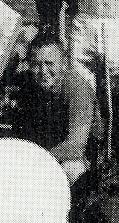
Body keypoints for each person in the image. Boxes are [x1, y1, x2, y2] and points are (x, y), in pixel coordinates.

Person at [8, 35, 97, 185]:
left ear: (63, 63)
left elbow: (76, 146)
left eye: (49, 63)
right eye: (36, 64)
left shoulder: (77, 89)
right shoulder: (32, 83)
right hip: (49, 150)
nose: (43, 71)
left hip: (80, 157)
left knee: (72, 169)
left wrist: (38, 161)